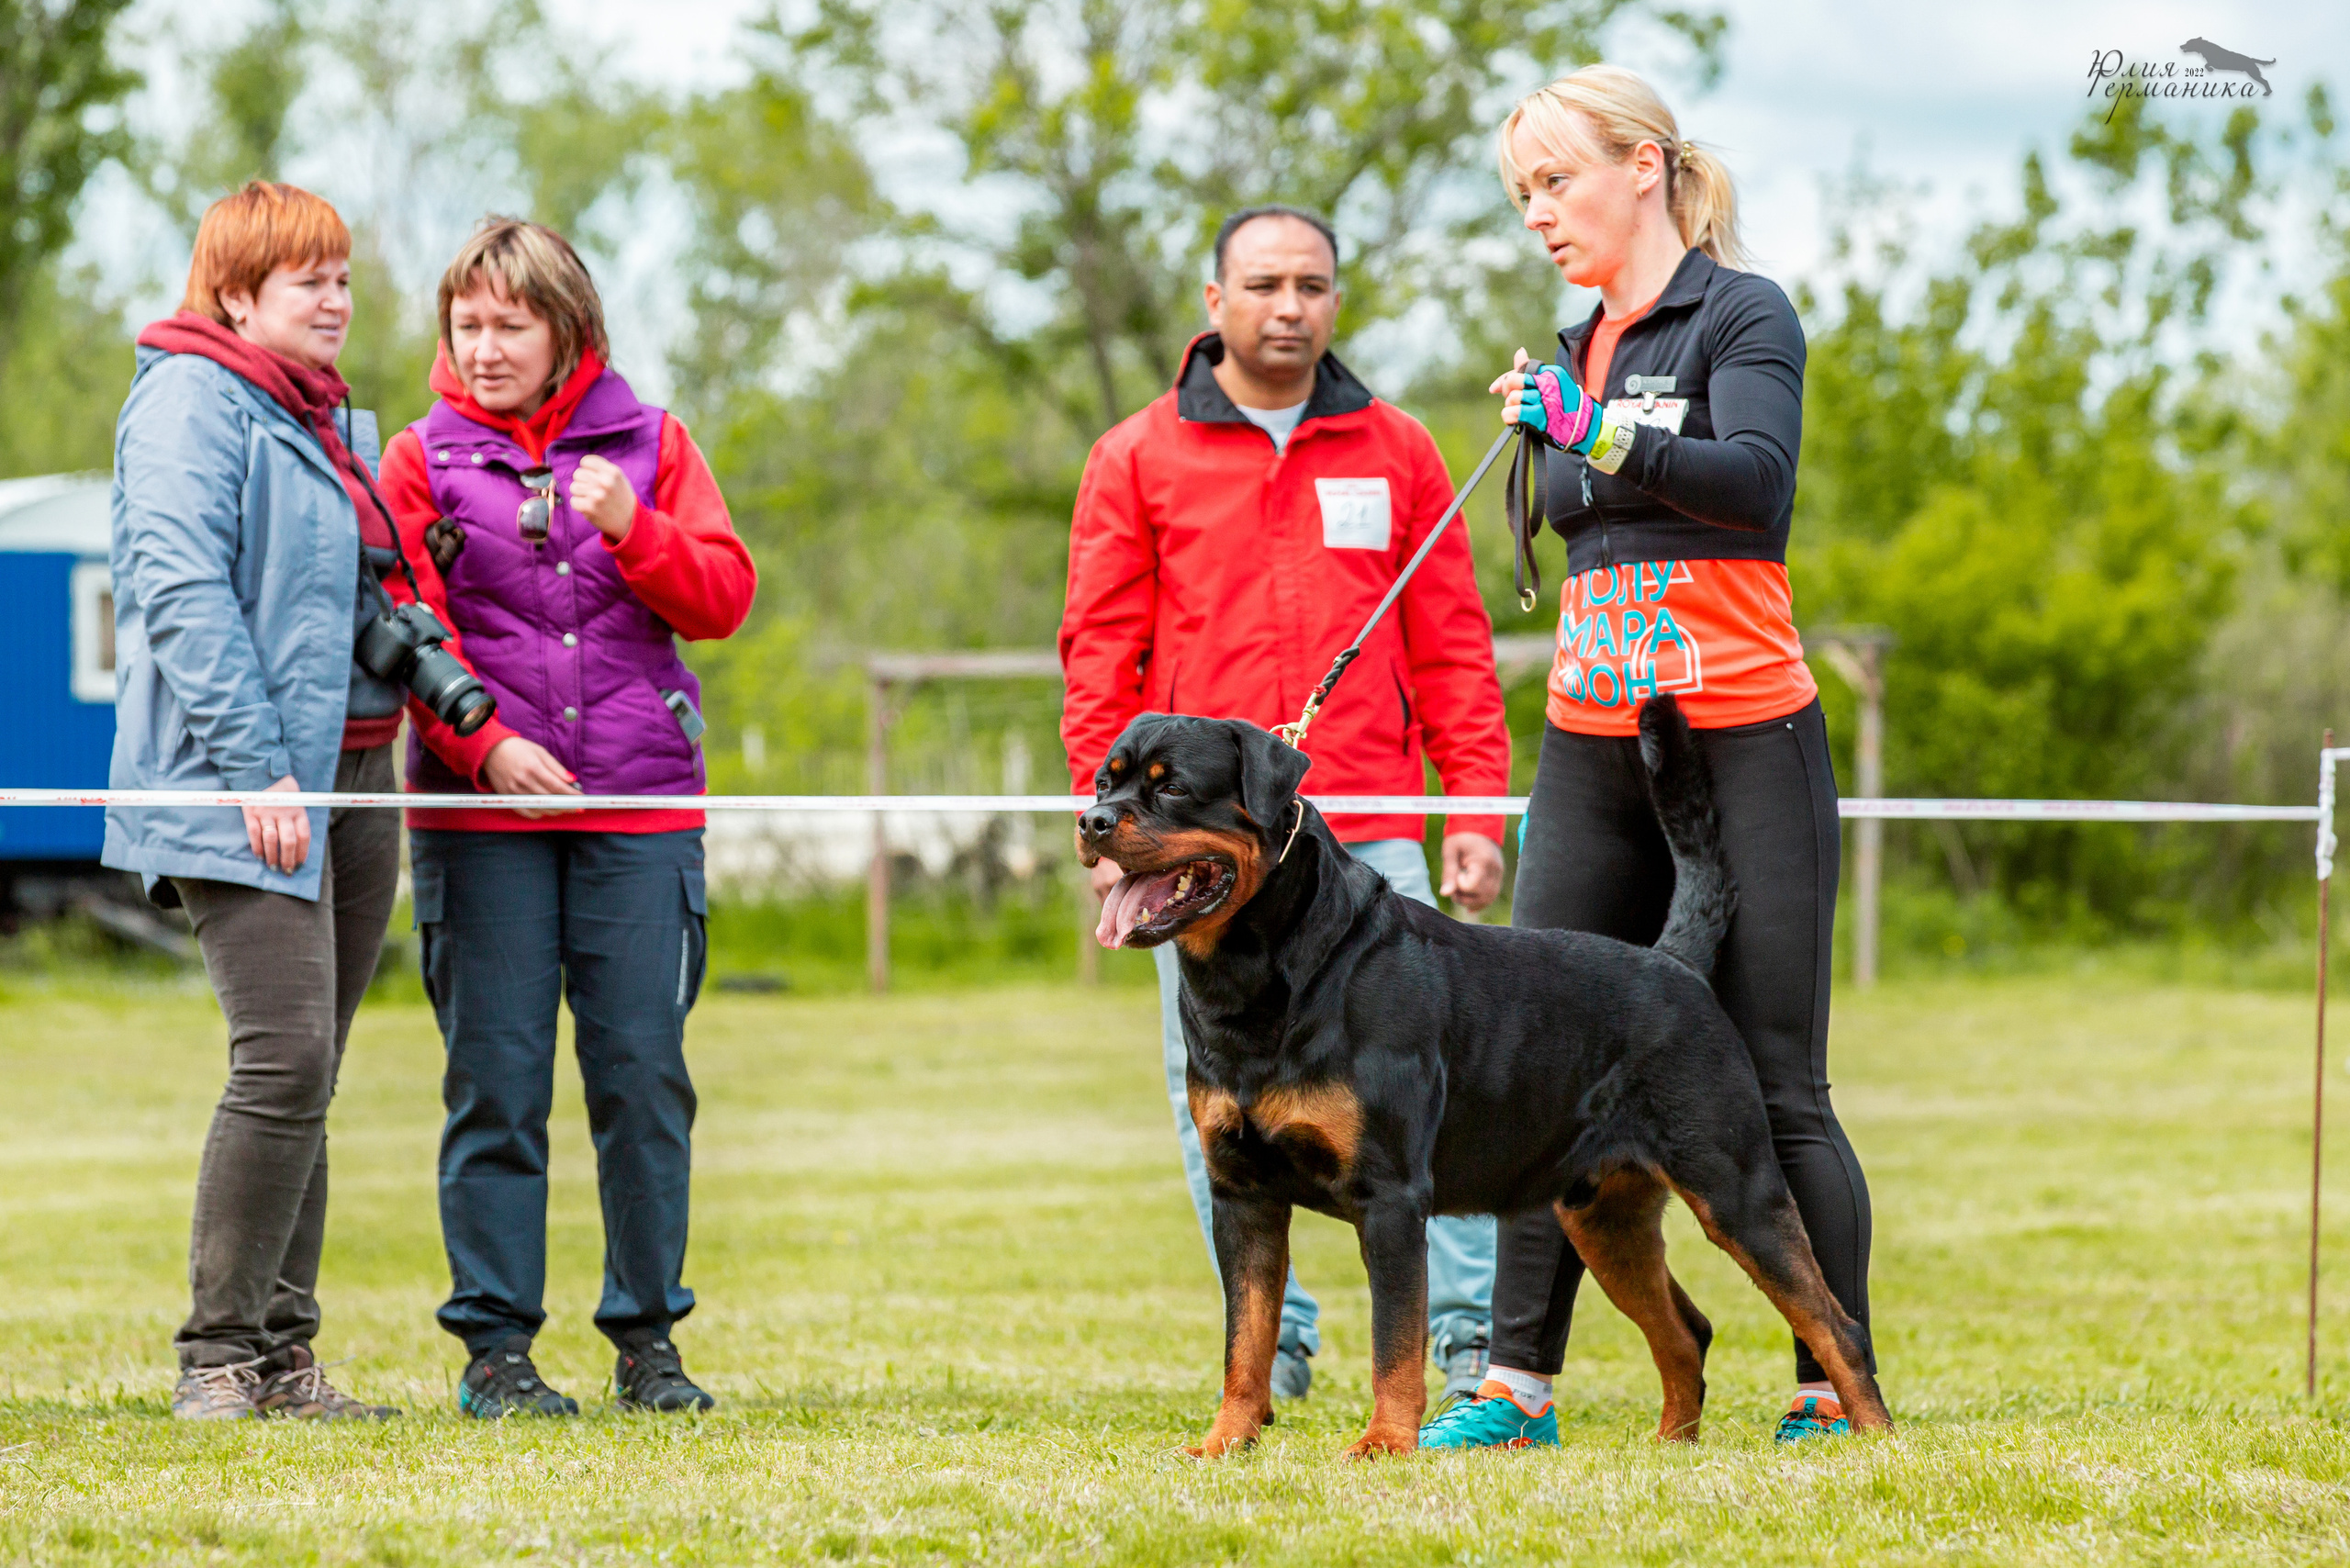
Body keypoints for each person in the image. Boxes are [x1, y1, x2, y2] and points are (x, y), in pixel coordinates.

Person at [1417, 65, 1875, 1451]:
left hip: (1744, 732)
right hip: (1592, 742)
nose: (1540, 215)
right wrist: (1582, 423)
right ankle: (1515, 1384)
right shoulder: (1572, 342)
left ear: (1643, 167)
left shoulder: (1744, 313)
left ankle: (1825, 1383)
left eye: (1556, 182)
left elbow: (1755, 483)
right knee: (1529, 1061)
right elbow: (1570, 500)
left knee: (1771, 1075)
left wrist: (1603, 432)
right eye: (1522, 197)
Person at [1059, 205, 1512, 1405]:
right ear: (1214, 302)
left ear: (1336, 303)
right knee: (1209, 1092)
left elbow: (1455, 644)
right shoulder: (1135, 456)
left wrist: (1473, 807)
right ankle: (1283, 1342)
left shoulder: (1401, 449)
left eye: (1311, 284)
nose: (1288, 305)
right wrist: (1107, 827)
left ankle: (1467, 1333)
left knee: (1430, 1085)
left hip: (1372, 830)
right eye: (1263, 283)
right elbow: (1098, 657)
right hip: (1200, 858)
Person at [374, 218, 756, 1417]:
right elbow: (405, 626)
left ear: (568, 329)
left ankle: (649, 1342)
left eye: (510, 325)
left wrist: (634, 529)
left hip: (641, 822)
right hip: (480, 831)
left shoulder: (657, 445)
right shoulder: (417, 460)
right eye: (466, 326)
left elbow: (726, 598)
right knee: (496, 1081)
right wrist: (485, 749)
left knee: (642, 1078)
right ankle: (497, 1350)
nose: (483, 349)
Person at [107, 181, 408, 1421]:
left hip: (355, 774)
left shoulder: (328, 421)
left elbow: (352, 603)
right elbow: (180, 589)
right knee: (281, 1057)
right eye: (309, 281)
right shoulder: (189, 399)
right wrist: (257, 770)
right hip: (245, 783)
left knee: (315, 1070)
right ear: (237, 294)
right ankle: (216, 1359)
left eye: (342, 277)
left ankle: (285, 1360)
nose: (336, 299)